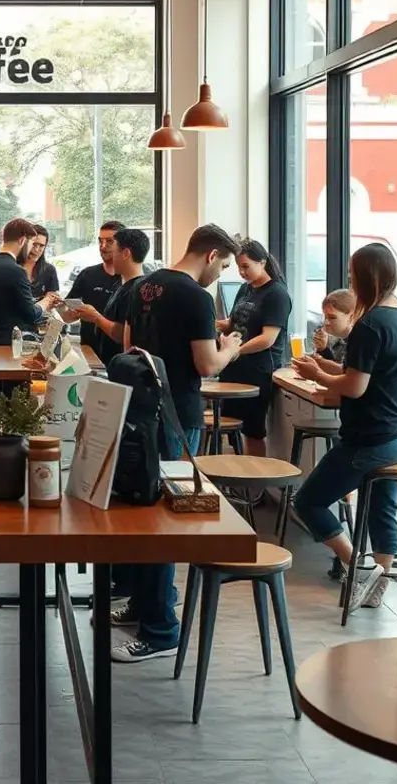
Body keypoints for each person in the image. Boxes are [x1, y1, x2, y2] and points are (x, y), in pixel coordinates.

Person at [110, 224, 243, 663]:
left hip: (137, 411)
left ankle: (147, 605)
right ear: (210, 256)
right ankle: (161, 628)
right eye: (223, 266)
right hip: (176, 417)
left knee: (141, 511)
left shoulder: (143, 285)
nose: (220, 275)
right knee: (163, 519)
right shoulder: (196, 298)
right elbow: (206, 365)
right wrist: (232, 349)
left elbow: (128, 347)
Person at [291, 243, 397, 610]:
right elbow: (364, 374)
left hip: (366, 437)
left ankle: (357, 565)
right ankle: (378, 583)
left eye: (353, 275)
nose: (350, 281)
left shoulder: (369, 325)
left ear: (365, 277)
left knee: (308, 501)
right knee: (384, 510)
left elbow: (355, 386)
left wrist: (317, 374)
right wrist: (323, 370)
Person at [0, 217, 59, 429]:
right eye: (31, 242)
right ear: (22, 241)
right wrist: (45, 302)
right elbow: (31, 315)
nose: (34, 248)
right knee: (13, 412)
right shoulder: (16, 271)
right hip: (7, 351)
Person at [215, 239, 292, 457]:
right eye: (239, 266)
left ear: (263, 262)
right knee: (229, 425)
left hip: (257, 370)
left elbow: (267, 338)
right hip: (234, 367)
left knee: (253, 430)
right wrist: (214, 324)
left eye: (246, 266)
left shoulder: (276, 294)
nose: (242, 272)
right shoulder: (245, 289)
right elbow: (233, 322)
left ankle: (255, 487)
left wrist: (236, 351)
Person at [72, 227, 149, 366]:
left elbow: (124, 334)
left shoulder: (136, 291)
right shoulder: (124, 286)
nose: (111, 257)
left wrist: (96, 317)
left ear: (125, 253)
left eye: (114, 252)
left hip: (122, 368)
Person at [66, 220, 125, 356]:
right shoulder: (87, 275)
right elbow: (67, 315)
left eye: (109, 241)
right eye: (100, 241)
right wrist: (65, 310)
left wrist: (96, 317)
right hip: (89, 353)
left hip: (122, 357)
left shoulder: (130, 281)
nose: (103, 246)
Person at [313, 288, 355, 368]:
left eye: (332, 318)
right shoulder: (328, 337)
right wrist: (322, 349)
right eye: (325, 317)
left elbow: (343, 374)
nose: (326, 322)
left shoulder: (359, 343)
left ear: (351, 317)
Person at [21, 223, 59, 300]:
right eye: (34, 244)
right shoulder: (11, 267)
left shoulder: (49, 270)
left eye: (41, 246)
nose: (37, 249)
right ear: (24, 242)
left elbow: (52, 295)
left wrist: (52, 298)